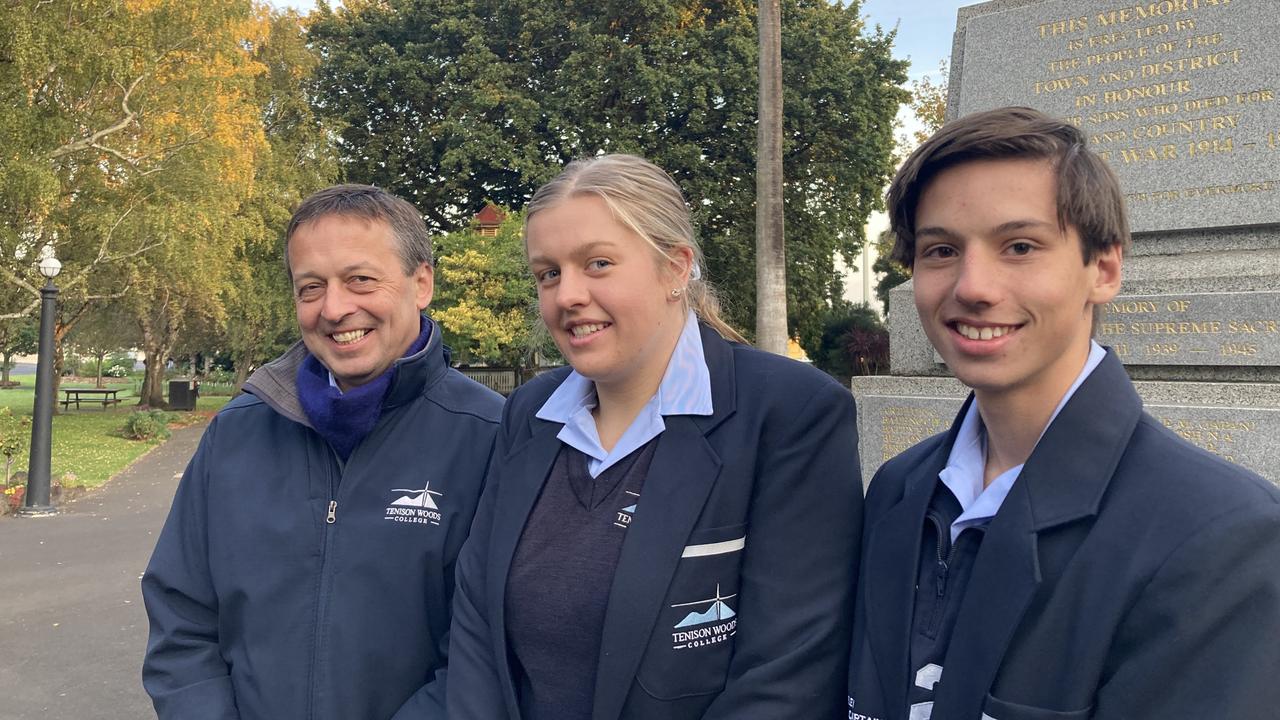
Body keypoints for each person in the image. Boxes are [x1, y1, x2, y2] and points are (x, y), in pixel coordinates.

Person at [846, 106, 1280, 720]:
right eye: (940, 250)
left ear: (1103, 269)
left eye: (1020, 246)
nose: (973, 285)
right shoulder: (896, 490)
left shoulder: (1219, 537)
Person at [446, 154, 862, 720]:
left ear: (674, 268)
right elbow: (476, 622)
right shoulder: (530, 413)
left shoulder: (790, 414)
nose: (566, 294)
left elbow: (786, 676)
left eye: (597, 264)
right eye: (548, 273)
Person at [141, 184, 504, 720]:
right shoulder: (236, 433)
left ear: (421, 282)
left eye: (360, 279)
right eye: (311, 287)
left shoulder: (490, 437)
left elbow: (487, 652)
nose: (334, 308)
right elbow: (182, 619)